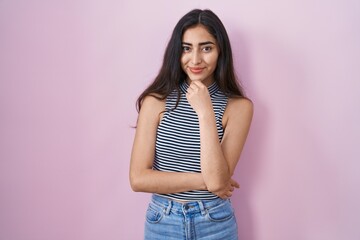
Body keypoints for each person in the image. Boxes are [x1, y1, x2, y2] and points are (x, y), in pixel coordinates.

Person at [130, 8, 253, 240]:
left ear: (220, 51)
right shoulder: (155, 101)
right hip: (162, 221)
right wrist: (206, 181)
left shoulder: (239, 107)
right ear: (177, 52)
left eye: (206, 48)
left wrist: (205, 111)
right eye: (187, 48)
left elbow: (218, 180)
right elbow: (138, 179)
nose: (195, 59)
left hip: (215, 222)